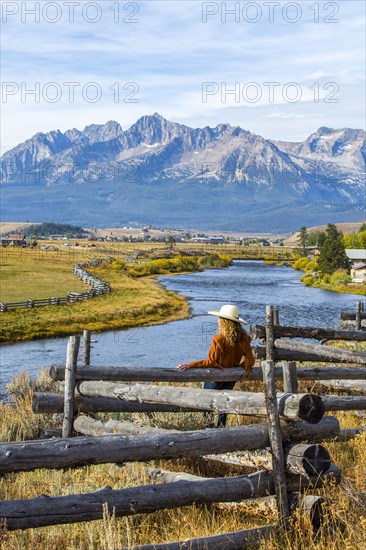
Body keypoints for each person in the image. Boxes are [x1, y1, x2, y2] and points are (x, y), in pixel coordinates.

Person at [177, 304, 255, 427]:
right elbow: (250, 359)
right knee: (224, 404)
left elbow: (211, 362)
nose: (218, 321)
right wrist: (240, 367)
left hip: (216, 377)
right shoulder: (244, 339)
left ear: (224, 322)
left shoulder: (218, 340)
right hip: (232, 376)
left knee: (207, 403)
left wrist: (190, 364)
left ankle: (207, 428)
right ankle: (221, 428)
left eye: (220, 318)